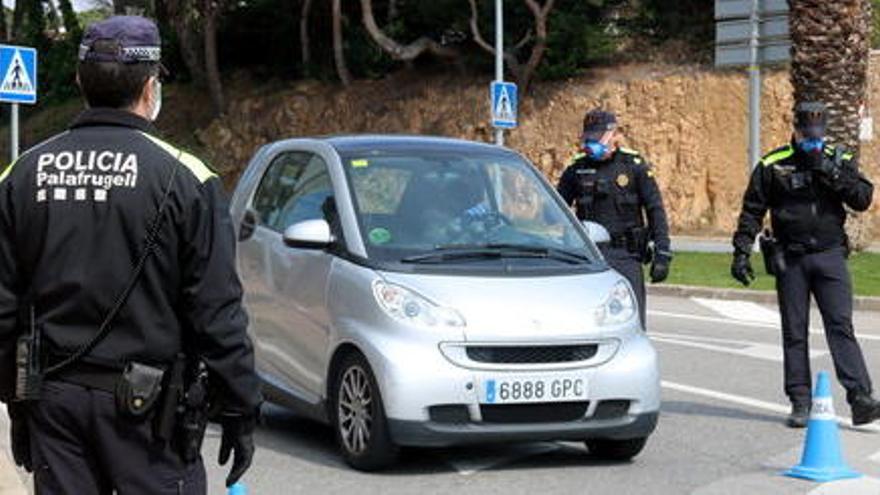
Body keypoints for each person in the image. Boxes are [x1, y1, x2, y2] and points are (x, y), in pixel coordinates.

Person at [0, 16, 261, 493]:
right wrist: (241, 405)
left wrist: (17, 403)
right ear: (150, 86)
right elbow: (216, 310)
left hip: (55, 407)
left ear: (80, 81)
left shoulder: (22, 174)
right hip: (149, 418)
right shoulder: (187, 179)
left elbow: (2, 307)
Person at [731, 101, 880, 428]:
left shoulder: (837, 159)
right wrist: (742, 250)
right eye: (806, 134)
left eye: (818, 134)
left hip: (829, 256)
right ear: (795, 129)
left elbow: (863, 198)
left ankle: (861, 397)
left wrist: (827, 170)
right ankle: (800, 401)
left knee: (841, 325)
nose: (812, 140)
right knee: (795, 331)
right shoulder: (773, 164)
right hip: (791, 258)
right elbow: (752, 209)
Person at [557, 109, 672, 328]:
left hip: (626, 256)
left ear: (614, 135)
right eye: (589, 137)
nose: (592, 143)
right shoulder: (577, 168)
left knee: (633, 324)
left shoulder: (633, 166)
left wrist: (663, 252)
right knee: (588, 322)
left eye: (597, 137)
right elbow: (557, 210)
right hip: (589, 257)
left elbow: (655, 209)